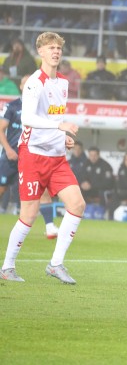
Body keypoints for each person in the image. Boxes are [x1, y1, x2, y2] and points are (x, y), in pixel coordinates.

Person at [1, 32, 84, 285]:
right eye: (50, 47)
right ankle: (7, 267)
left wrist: (64, 139)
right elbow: (28, 119)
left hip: (57, 156)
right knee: (29, 213)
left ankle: (55, 264)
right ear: (40, 52)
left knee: (77, 204)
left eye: (58, 47)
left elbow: (51, 119)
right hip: (33, 156)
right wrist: (60, 127)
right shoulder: (35, 83)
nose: (56, 51)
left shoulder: (63, 83)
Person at [0, 74, 59, 238]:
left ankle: (50, 226)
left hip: (32, 156)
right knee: (2, 188)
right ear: (20, 86)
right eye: (26, 84)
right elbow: (1, 129)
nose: (29, 87)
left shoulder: (41, 107)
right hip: (11, 157)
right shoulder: (12, 106)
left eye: (31, 85)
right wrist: (8, 150)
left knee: (43, 189)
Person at [81, 146, 115, 218]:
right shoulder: (85, 164)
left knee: (102, 193)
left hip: (100, 190)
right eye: (91, 155)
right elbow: (81, 176)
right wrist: (83, 183)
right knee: (78, 191)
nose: (93, 157)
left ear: (98, 155)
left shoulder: (105, 166)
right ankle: (79, 213)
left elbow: (108, 183)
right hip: (88, 190)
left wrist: (92, 185)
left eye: (95, 155)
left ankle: (102, 214)